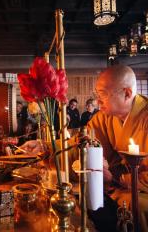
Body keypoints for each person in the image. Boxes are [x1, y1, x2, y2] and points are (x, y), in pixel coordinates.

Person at [20, 64, 148, 232]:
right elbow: (80, 142)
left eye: (102, 94)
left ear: (127, 93)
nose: (97, 101)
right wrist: (46, 147)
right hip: (113, 182)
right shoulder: (103, 118)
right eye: (97, 94)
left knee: (138, 206)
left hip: (139, 188)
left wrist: (115, 178)